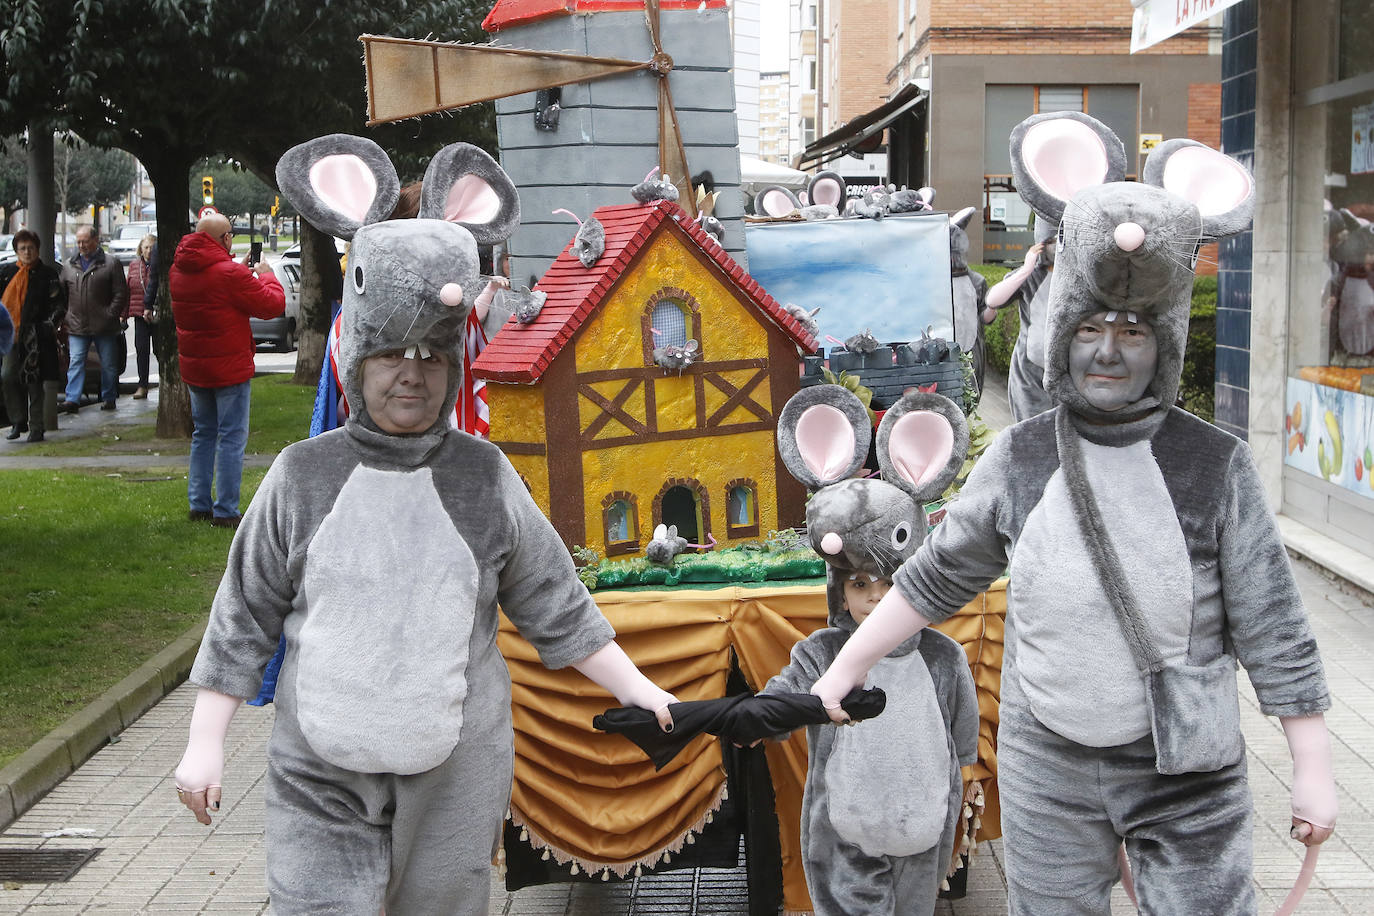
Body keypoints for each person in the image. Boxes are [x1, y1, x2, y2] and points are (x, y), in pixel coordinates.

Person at [810, 123, 1337, 914]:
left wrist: (1314, 768)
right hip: (1047, 759)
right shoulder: (1021, 457)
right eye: (1089, 329)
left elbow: (1274, 623)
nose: (1109, 351)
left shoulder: (1213, 464)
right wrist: (850, 664)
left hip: (1186, 764)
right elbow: (939, 573)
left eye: (1131, 332)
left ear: (1162, 340)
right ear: (1062, 338)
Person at [172, 267, 677, 915]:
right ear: (356, 362)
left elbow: (555, 601)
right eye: (389, 354)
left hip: (454, 766)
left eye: (430, 356)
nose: (411, 373)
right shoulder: (303, 475)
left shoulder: (483, 476)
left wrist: (640, 689)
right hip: (319, 765)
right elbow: (243, 615)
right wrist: (204, 741)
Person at [170, 213, 284, 527]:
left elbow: (217, 284)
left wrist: (238, 269)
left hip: (196, 366)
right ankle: (226, 510)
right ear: (224, 239)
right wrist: (266, 275)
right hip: (229, 366)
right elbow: (270, 305)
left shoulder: (178, 270)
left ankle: (199, 504)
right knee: (231, 438)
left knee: (203, 434)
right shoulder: (229, 275)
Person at [982, 222, 1055, 422]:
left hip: (1069, 368)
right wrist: (1026, 269)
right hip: (1030, 367)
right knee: (1031, 428)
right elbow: (993, 300)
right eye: (1052, 241)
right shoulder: (1032, 277)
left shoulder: (1079, 277)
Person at [2, 230, 64, 442]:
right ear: (16, 251)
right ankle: (17, 420)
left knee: (34, 381)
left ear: (37, 249)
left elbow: (58, 305)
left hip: (36, 336)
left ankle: (36, 426)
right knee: (8, 376)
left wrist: (47, 326)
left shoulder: (48, 274)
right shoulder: (7, 273)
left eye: (30, 248)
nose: (27, 252)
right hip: (11, 335)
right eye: (22, 248)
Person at [60, 225, 128, 412]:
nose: (81, 245)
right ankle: (72, 399)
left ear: (95, 241)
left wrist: (110, 314)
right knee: (75, 362)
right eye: (79, 242)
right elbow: (61, 294)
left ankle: (108, 397)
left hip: (104, 325)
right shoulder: (68, 265)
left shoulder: (110, 263)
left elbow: (120, 293)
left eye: (85, 241)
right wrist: (67, 314)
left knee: (108, 363)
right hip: (77, 325)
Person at [123, 234, 157, 399]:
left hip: (158, 314)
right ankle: (142, 385)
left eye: (152, 247)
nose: (149, 251)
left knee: (159, 350)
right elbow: (128, 290)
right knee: (141, 349)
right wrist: (123, 315)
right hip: (139, 315)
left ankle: (165, 382)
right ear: (141, 249)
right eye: (146, 247)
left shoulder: (160, 266)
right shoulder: (134, 266)